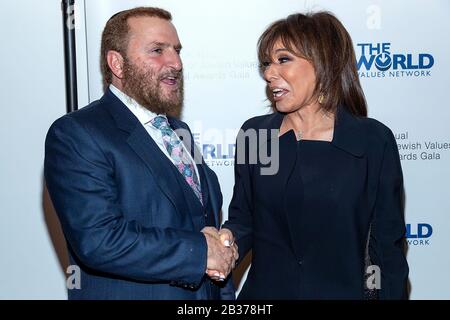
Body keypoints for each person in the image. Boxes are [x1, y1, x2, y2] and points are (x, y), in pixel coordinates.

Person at [44, 7, 237, 300]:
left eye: (176, 50)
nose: (175, 62)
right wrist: (200, 251)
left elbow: (201, 223)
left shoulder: (178, 131)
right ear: (117, 64)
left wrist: (220, 249)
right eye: (157, 50)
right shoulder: (76, 133)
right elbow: (99, 240)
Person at [220, 11, 409, 299]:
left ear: (324, 62)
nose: (269, 74)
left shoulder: (371, 140)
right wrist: (227, 241)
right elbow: (244, 220)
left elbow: (387, 248)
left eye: (283, 59)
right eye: (267, 64)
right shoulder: (256, 134)